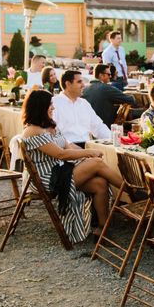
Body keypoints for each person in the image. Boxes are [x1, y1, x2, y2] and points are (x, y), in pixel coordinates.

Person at [21, 90, 123, 242]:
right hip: (47, 178)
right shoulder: (32, 131)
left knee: (100, 184)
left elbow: (68, 145)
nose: (53, 108)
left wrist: (86, 153)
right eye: (50, 105)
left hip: (61, 171)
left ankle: (103, 229)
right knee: (97, 163)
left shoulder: (50, 125)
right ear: (39, 107)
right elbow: (61, 154)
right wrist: (89, 153)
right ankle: (132, 191)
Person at [52, 70, 111, 147]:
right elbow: (52, 132)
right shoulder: (54, 103)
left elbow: (98, 126)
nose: (84, 85)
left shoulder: (84, 103)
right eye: (79, 82)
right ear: (68, 84)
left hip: (88, 146)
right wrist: (69, 146)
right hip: (66, 148)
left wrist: (113, 139)